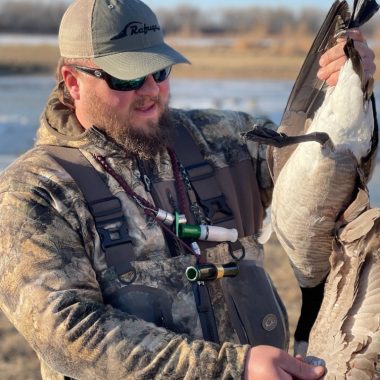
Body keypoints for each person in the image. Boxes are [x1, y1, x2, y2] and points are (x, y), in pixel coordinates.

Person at [0, 1, 375, 379]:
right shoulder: (34, 192)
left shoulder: (221, 140)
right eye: (126, 78)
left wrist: (345, 90)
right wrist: (234, 369)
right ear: (72, 81)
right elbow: (71, 332)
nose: (151, 91)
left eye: (159, 71)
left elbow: (321, 180)